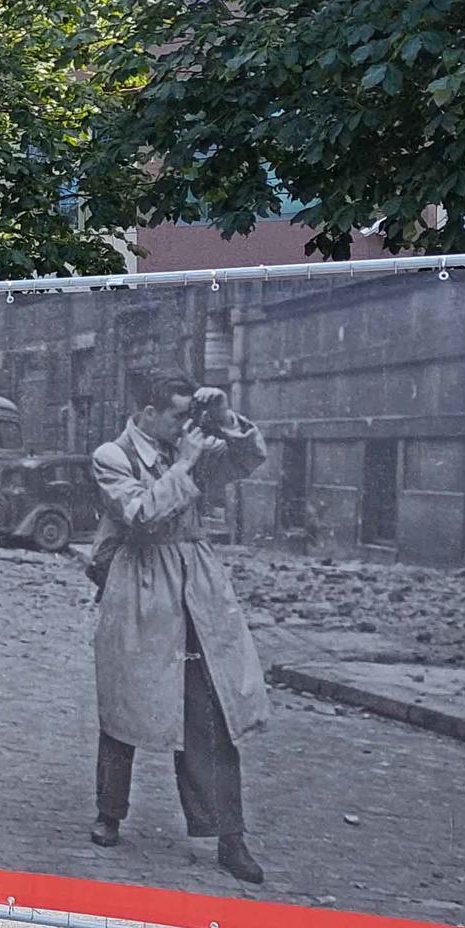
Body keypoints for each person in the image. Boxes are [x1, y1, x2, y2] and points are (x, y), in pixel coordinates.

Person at [89, 377, 270, 885]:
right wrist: (188, 463)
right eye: (176, 416)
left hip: (196, 585)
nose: (184, 426)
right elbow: (140, 515)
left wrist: (228, 419)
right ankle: (110, 810)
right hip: (141, 584)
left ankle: (229, 837)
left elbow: (247, 461)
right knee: (127, 700)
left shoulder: (186, 445)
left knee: (210, 703)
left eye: (188, 417)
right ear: (148, 413)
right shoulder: (114, 455)